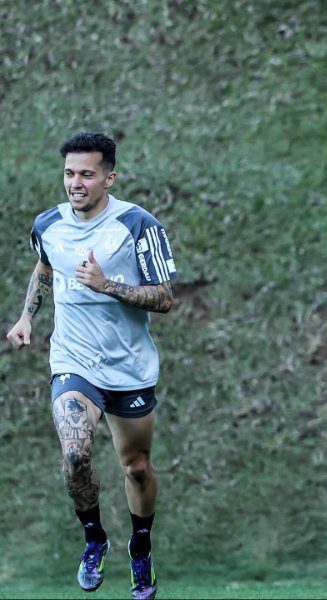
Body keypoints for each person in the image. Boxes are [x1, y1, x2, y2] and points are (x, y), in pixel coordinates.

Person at [6, 132, 176, 600]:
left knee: (136, 467)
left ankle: (140, 547)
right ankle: (94, 539)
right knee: (76, 452)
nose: (75, 183)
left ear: (109, 177)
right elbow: (46, 266)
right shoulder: (48, 225)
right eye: (69, 173)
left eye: (86, 174)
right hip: (73, 359)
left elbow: (164, 297)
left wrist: (108, 286)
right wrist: (25, 317)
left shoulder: (138, 225)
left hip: (130, 368)